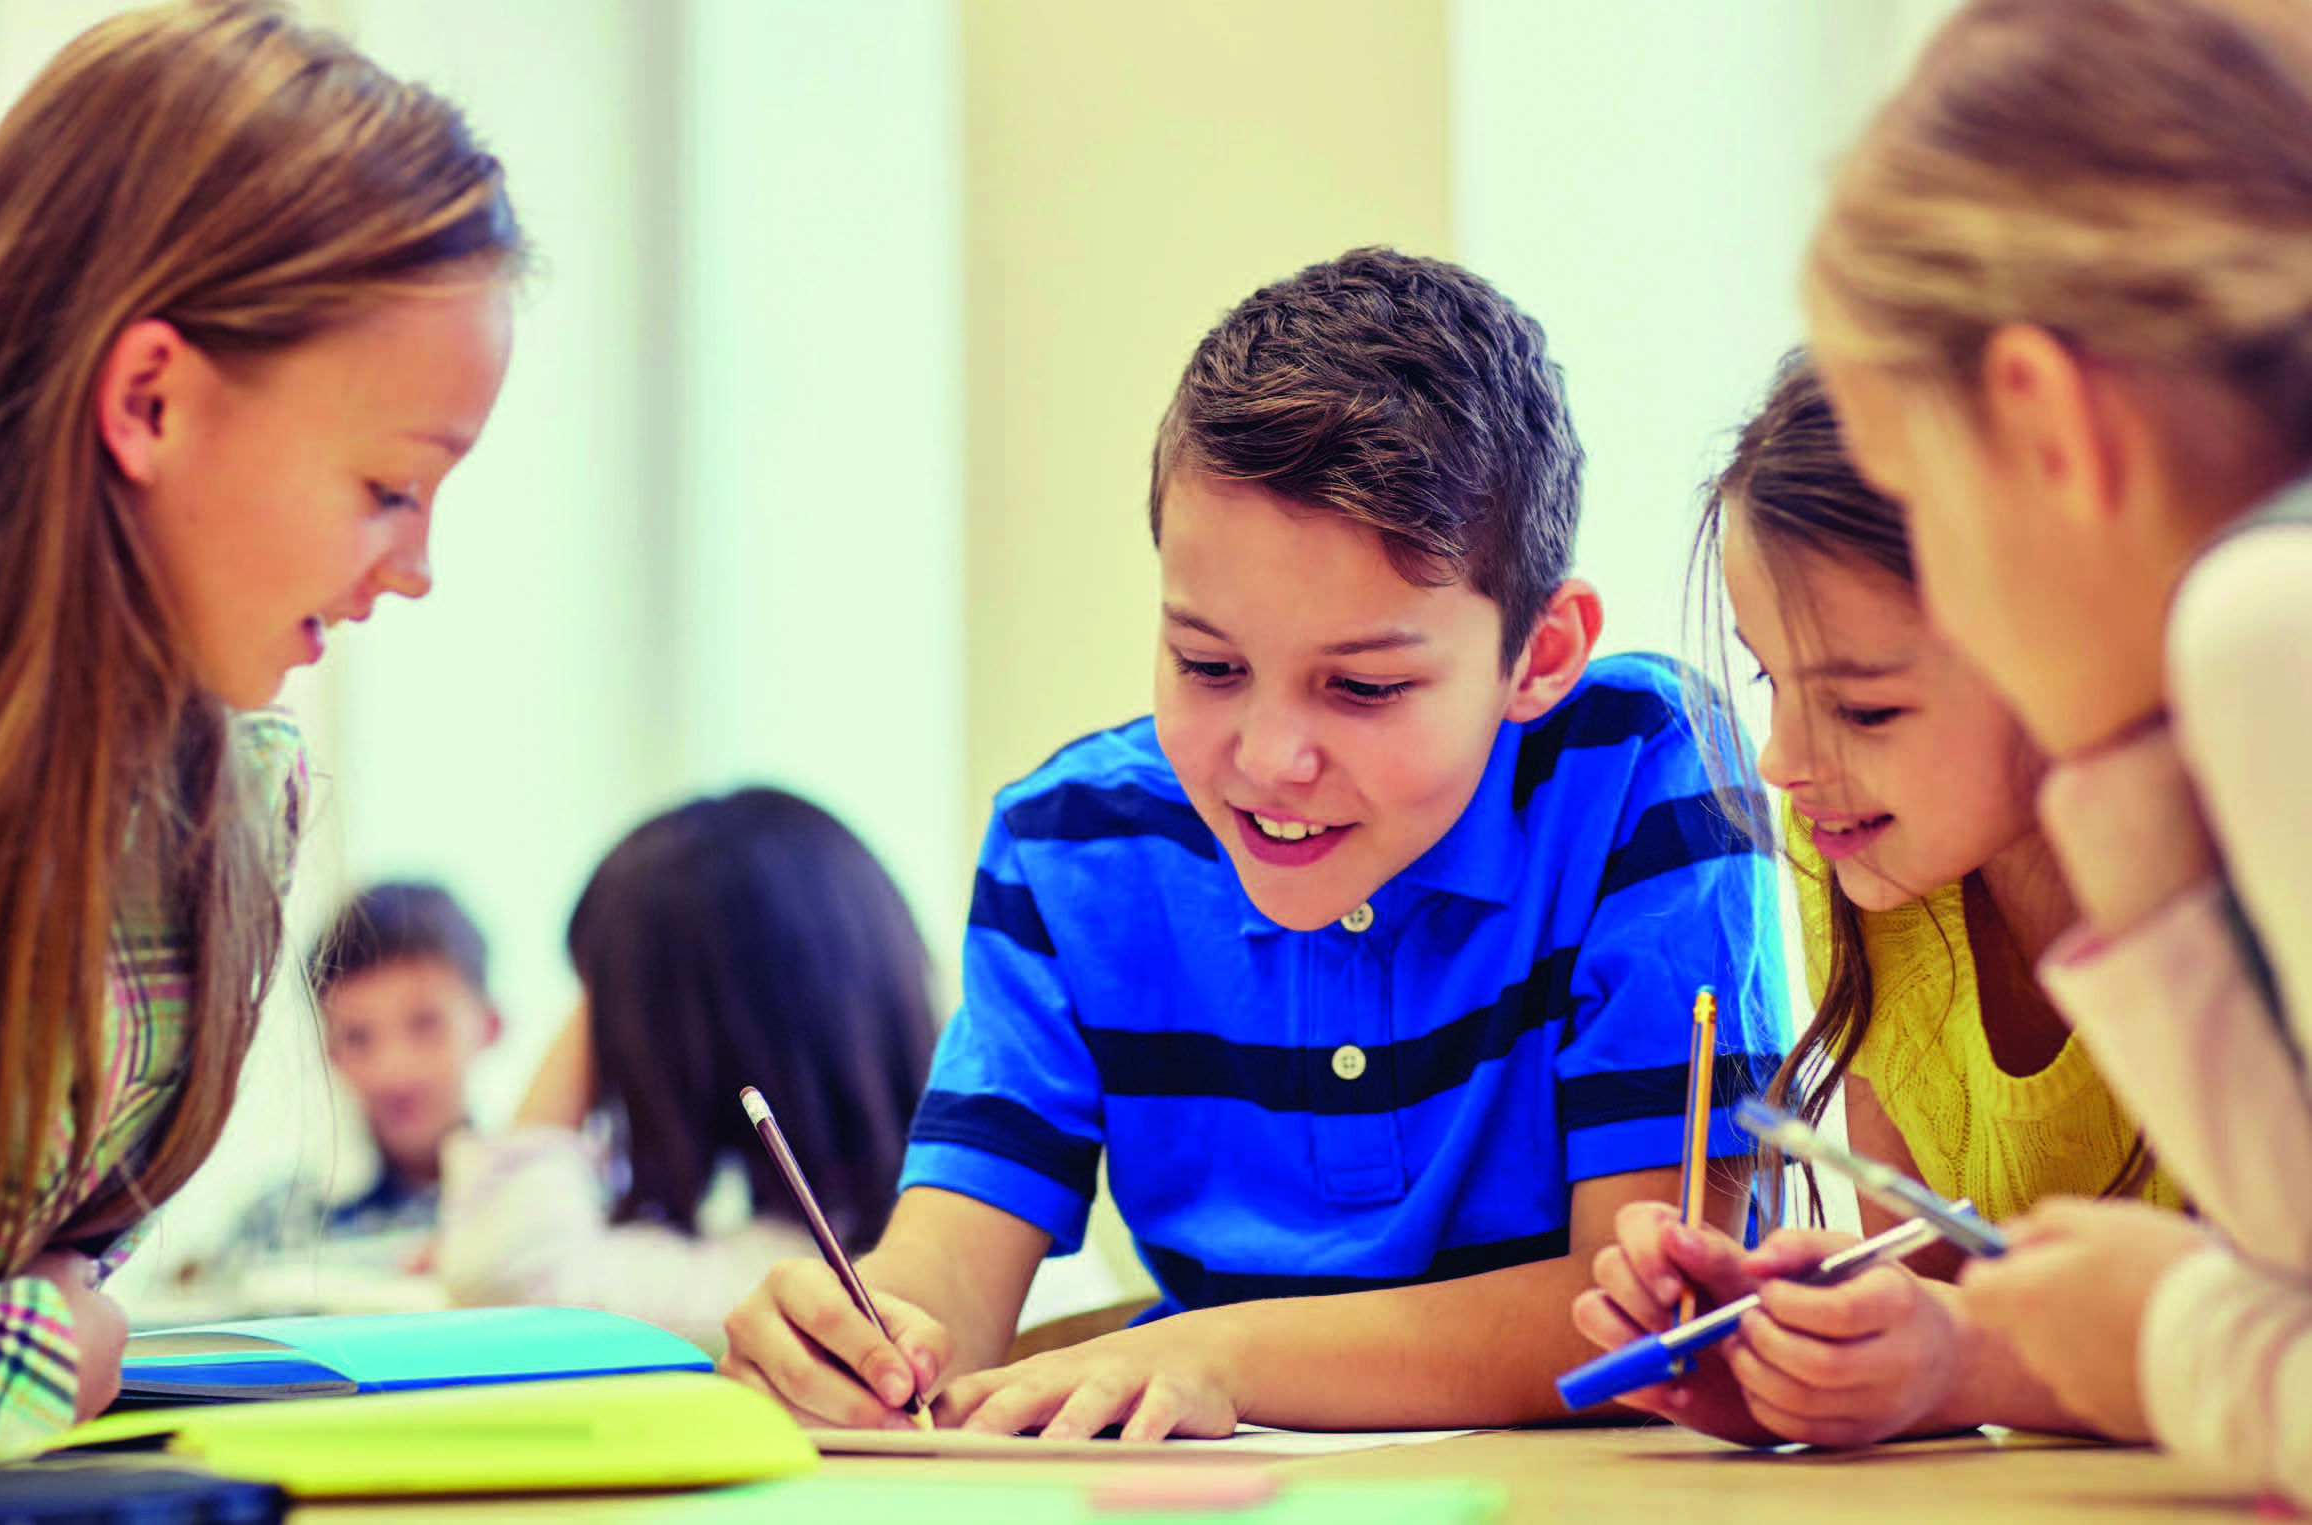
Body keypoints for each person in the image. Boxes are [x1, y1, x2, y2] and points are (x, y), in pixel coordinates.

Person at [722, 247, 1788, 1439]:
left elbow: (1643, 1310)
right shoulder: (1071, 843)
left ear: (1536, 656)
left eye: (1365, 686)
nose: (1269, 758)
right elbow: (949, 1272)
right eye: (1207, 665)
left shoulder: (1642, 774)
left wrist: (1220, 1349)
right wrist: (868, 1338)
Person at [0, 0, 518, 1462]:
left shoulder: (230, 797)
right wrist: (33, 1356)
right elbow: (26, 1330)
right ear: (149, 399)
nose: (413, 570)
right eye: (389, 488)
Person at [1801, 0, 2312, 1501]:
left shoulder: (2266, 615)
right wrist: (2137, 830)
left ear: (2042, 420)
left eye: (1912, 500)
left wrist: (2167, 1338)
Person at [1573, 353, 2179, 1449]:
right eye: (1767, 681)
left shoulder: (2232, 902)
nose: (1778, 762)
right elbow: (1946, 1316)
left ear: (2063, 651)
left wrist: (1963, 1361)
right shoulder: (1859, 864)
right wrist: (1800, 1354)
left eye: (1861, 708)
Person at [438, 789, 938, 1355]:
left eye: (607, 1009)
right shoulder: (943, 1235)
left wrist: (610, 978)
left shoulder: (778, 1285)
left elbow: (505, 1274)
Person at [215, 883, 500, 1270]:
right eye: (357, 1038)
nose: (393, 1070)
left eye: (425, 1025)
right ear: (330, 1054)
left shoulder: (544, 1206)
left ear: (490, 1027)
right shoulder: (273, 1231)